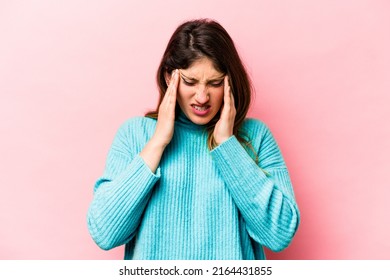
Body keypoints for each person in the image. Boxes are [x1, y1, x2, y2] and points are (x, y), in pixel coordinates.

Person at [87, 18, 300, 260]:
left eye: (215, 83)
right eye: (190, 82)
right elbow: (105, 233)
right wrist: (158, 142)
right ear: (170, 77)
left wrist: (227, 145)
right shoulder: (135, 134)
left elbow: (280, 234)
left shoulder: (256, 137)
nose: (202, 97)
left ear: (230, 81)